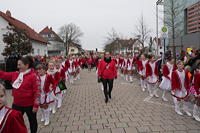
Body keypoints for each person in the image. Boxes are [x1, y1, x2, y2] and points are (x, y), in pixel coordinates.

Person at [0, 56, 40, 133]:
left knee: (32, 121)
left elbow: (37, 91)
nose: (17, 67)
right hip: (16, 104)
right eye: (17, 64)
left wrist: (36, 105)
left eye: (19, 65)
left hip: (29, 105)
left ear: (27, 65)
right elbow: (3, 75)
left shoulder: (33, 76)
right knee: (14, 121)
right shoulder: (15, 74)